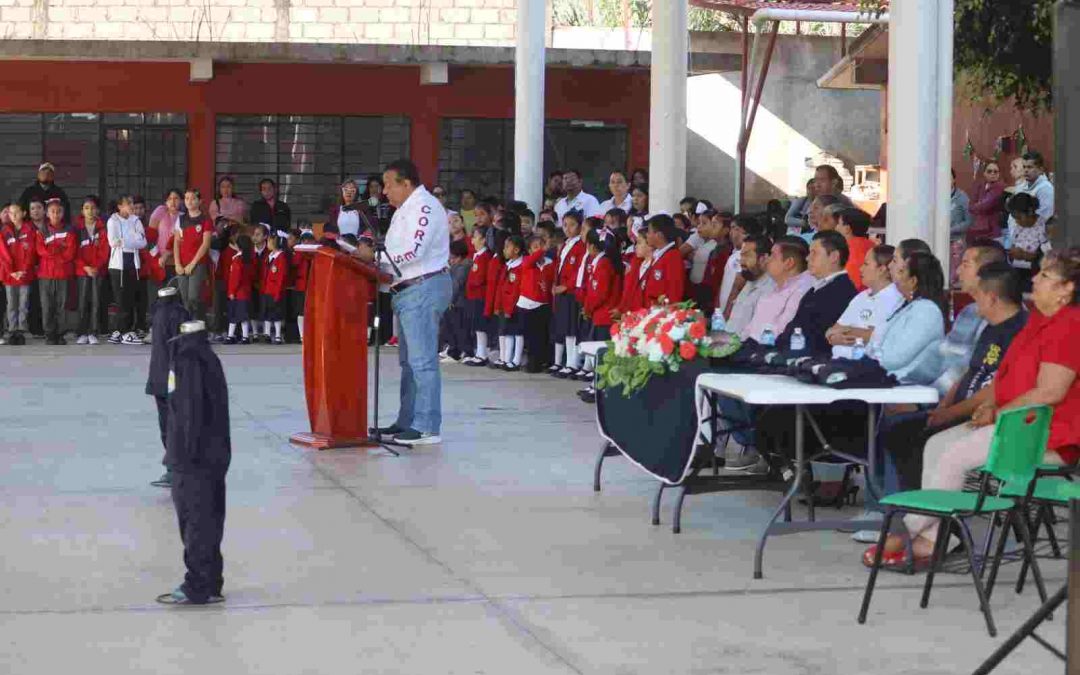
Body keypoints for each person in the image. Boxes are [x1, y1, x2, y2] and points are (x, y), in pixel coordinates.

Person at [865, 248, 1080, 568]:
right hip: (1014, 421)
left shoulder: (1070, 326)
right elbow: (1006, 379)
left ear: (1067, 290)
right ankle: (935, 537)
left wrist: (997, 412)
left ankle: (910, 528)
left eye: (1046, 276)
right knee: (937, 444)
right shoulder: (1038, 320)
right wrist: (990, 405)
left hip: (1044, 434)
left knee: (955, 455)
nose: (1034, 279)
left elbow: (1050, 391)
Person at [377, 159, 452, 447]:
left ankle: (426, 426)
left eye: (388, 184)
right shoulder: (404, 210)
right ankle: (407, 420)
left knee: (422, 362)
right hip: (408, 290)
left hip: (423, 287)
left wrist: (376, 258)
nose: (384, 191)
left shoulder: (424, 206)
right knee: (409, 363)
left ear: (406, 183)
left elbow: (413, 251)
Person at [156, 320, 231, 606]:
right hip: (214, 455)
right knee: (210, 520)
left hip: (193, 459)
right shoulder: (209, 356)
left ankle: (197, 585)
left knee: (195, 522)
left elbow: (188, 412)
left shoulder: (187, 360)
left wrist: (182, 457)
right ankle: (211, 581)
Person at [774, 230, 858, 355]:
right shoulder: (814, 290)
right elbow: (794, 328)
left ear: (834, 257)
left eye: (814, 253)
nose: (808, 258)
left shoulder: (843, 292)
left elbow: (817, 338)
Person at [145, 285, 190, 489]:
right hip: (177, 377)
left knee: (169, 426)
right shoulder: (182, 313)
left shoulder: (160, 312)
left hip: (163, 379)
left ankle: (175, 469)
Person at [826, 244, 903, 360]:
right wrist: (832, 336)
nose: (860, 269)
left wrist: (846, 332)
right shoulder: (861, 296)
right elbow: (832, 331)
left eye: (866, 264)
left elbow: (877, 335)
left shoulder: (897, 298)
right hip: (838, 361)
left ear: (881, 269)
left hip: (867, 367)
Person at [740, 237, 815, 345]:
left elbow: (782, 330)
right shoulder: (774, 286)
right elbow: (752, 326)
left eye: (773, 256)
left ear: (788, 263)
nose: (767, 259)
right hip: (749, 346)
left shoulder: (802, 290)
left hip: (767, 351)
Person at [106, 195, 147, 345]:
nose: (131, 206)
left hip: (132, 264)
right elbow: (113, 242)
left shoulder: (135, 220)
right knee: (121, 299)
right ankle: (125, 331)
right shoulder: (113, 221)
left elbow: (143, 242)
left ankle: (120, 331)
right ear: (119, 206)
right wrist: (132, 239)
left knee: (130, 298)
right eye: (127, 203)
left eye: (132, 203)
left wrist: (125, 240)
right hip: (118, 265)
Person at [35, 200, 76, 345]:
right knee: (47, 306)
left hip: (63, 274)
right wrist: (59, 248)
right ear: (47, 213)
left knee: (62, 305)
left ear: (63, 213)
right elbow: (41, 250)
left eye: (59, 211)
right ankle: (49, 335)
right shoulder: (41, 231)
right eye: (52, 211)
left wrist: (53, 250)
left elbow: (70, 252)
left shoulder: (69, 230)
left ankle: (60, 334)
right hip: (45, 275)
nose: (56, 214)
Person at [551, 211, 587, 378]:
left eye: (572, 225)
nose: (567, 228)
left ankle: (572, 363)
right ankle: (562, 363)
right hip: (560, 291)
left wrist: (565, 286)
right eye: (565, 225)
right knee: (563, 327)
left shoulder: (581, 245)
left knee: (571, 328)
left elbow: (578, 270)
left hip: (570, 292)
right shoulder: (566, 244)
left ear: (580, 227)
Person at [172, 189, 213, 322]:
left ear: (200, 201)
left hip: (197, 263)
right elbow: (176, 242)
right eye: (187, 198)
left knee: (193, 297)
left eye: (193, 198)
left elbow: (205, 244)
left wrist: (193, 263)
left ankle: (198, 324)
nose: (189, 201)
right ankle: (187, 325)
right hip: (182, 264)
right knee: (184, 297)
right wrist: (177, 263)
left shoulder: (205, 220)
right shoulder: (181, 219)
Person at [726, 233, 776, 338]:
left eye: (747, 255)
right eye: (741, 255)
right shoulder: (750, 280)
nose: (741, 261)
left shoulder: (771, 289)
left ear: (764, 258)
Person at [74, 196, 109, 345]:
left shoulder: (103, 227)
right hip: (82, 271)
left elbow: (105, 250)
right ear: (82, 210)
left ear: (98, 210)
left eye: (93, 208)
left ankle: (94, 332)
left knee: (96, 301)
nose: (90, 211)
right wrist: (85, 267)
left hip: (97, 271)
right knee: (83, 301)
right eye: (87, 208)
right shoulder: (76, 228)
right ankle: (82, 332)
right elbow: (74, 251)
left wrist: (96, 267)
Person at [0, 201, 36, 343]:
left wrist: (24, 270)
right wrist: (11, 271)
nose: (13, 215)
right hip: (10, 276)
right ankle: (12, 330)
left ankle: (22, 330)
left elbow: (31, 253)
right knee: (11, 304)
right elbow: (3, 254)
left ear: (24, 213)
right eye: (10, 213)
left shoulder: (30, 230)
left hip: (24, 275)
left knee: (23, 303)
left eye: (16, 212)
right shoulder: (4, 231)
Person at [518, 234, 554, 373]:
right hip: (528, 305)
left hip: (543, 305)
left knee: (542, 336)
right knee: (531, 338)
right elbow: (532, 259)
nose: (539, 249)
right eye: (535, 247)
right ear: (529, 250)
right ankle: (532, 364)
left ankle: (542, 362)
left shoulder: (549, 263)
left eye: (541, 246)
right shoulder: (526, 261)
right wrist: (543, 249)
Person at [462, 226, 494, 367]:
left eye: (475, 237)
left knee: (481, 327)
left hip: (479, 296)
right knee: (476, 326)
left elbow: (480, 278)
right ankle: (479, 353)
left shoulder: (484, 256)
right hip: (474, 296)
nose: (472, 240)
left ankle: (482, 354)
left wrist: (471, 283)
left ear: (483, 239)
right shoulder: (478, 256)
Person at [494, 234, 526, 371]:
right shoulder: (508, 266)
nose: (504, 250)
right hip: (505, 307)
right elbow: (501, 288)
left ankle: (516, 360)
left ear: (517, 250)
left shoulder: (520, 267)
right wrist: (498, 305)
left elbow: (516, 291)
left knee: (517, 333)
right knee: (507, 332)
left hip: (515, 307)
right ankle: (507, 359)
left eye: (508, 247)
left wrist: (509, 308)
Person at [718, 215, 758, 319]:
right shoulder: (734, 253)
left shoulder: (744, 257)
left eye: (735, 228)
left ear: (746, 233)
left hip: (733, 313)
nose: (731, 232)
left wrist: (727, 312)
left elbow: (737, 286)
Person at [1005, 192, 1048, 291]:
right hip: (1018, 272)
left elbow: (1046, 255)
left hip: (1035, 274)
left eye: (1019, 218)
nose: (1017, 221)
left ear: (1030, 212)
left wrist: (1025, 255)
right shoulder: (1019, 227)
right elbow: (1014, 244)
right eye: (1015, 218)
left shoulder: (1044, 227)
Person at [438, 239, 472, 363]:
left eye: (452, 258)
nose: (450, 261)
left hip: (458, 302)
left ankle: (457, 352)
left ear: (459, 256)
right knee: (452, 327)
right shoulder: (458, 266)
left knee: (459, 329)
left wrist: (450, 299)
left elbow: (456, 284)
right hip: (455, 301)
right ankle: (454, 350)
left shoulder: (463, 267)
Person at [641, 214, 685, 307]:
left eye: (649, 232)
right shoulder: (658, 255)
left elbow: (675, 291)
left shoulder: (673, 256)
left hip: (661, 313)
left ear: (659, 235)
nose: (647, 235)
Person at [835, 208, 875, 292]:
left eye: (838, 224)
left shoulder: (852, 252)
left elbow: (852, 285)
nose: (836, 228)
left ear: (847, 229)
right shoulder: (871, 245)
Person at [226, 234, 256, 344]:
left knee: (233, 316)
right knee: (244, 316)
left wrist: (231, 291)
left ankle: (230, 335)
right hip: (246, 291)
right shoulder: (250, 259)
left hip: (237, 292)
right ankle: (245, 336)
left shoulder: (237, 260)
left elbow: (235, 278)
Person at [967, 161, 1007, 244]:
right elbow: (970, 206)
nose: (993, 174)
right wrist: (977, 206)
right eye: (989, 171)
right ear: (984, 173)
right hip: (979, 228)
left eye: (995, 171)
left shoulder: (1000, 187)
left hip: (993, 230)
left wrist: (977, 205)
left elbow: (985, 205)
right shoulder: (980, 185)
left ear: (999, 174)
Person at [260, 232, 288, 344]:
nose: (267, 243)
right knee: (267, 313)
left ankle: (277, 335)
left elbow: (281, 277)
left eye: (269, 241)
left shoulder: (281, 258)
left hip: (275, 291)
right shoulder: (269, 256)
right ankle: (267, 334)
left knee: (276, 314)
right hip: (267, 290)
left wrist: (277, 293)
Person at [949, 168, 972, 241]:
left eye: (948, 177)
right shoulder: (935, 197)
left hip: (956, 242)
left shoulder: (962, 197)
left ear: (954, 180)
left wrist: (951, 230)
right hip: (937, 241)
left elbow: (969, 221)